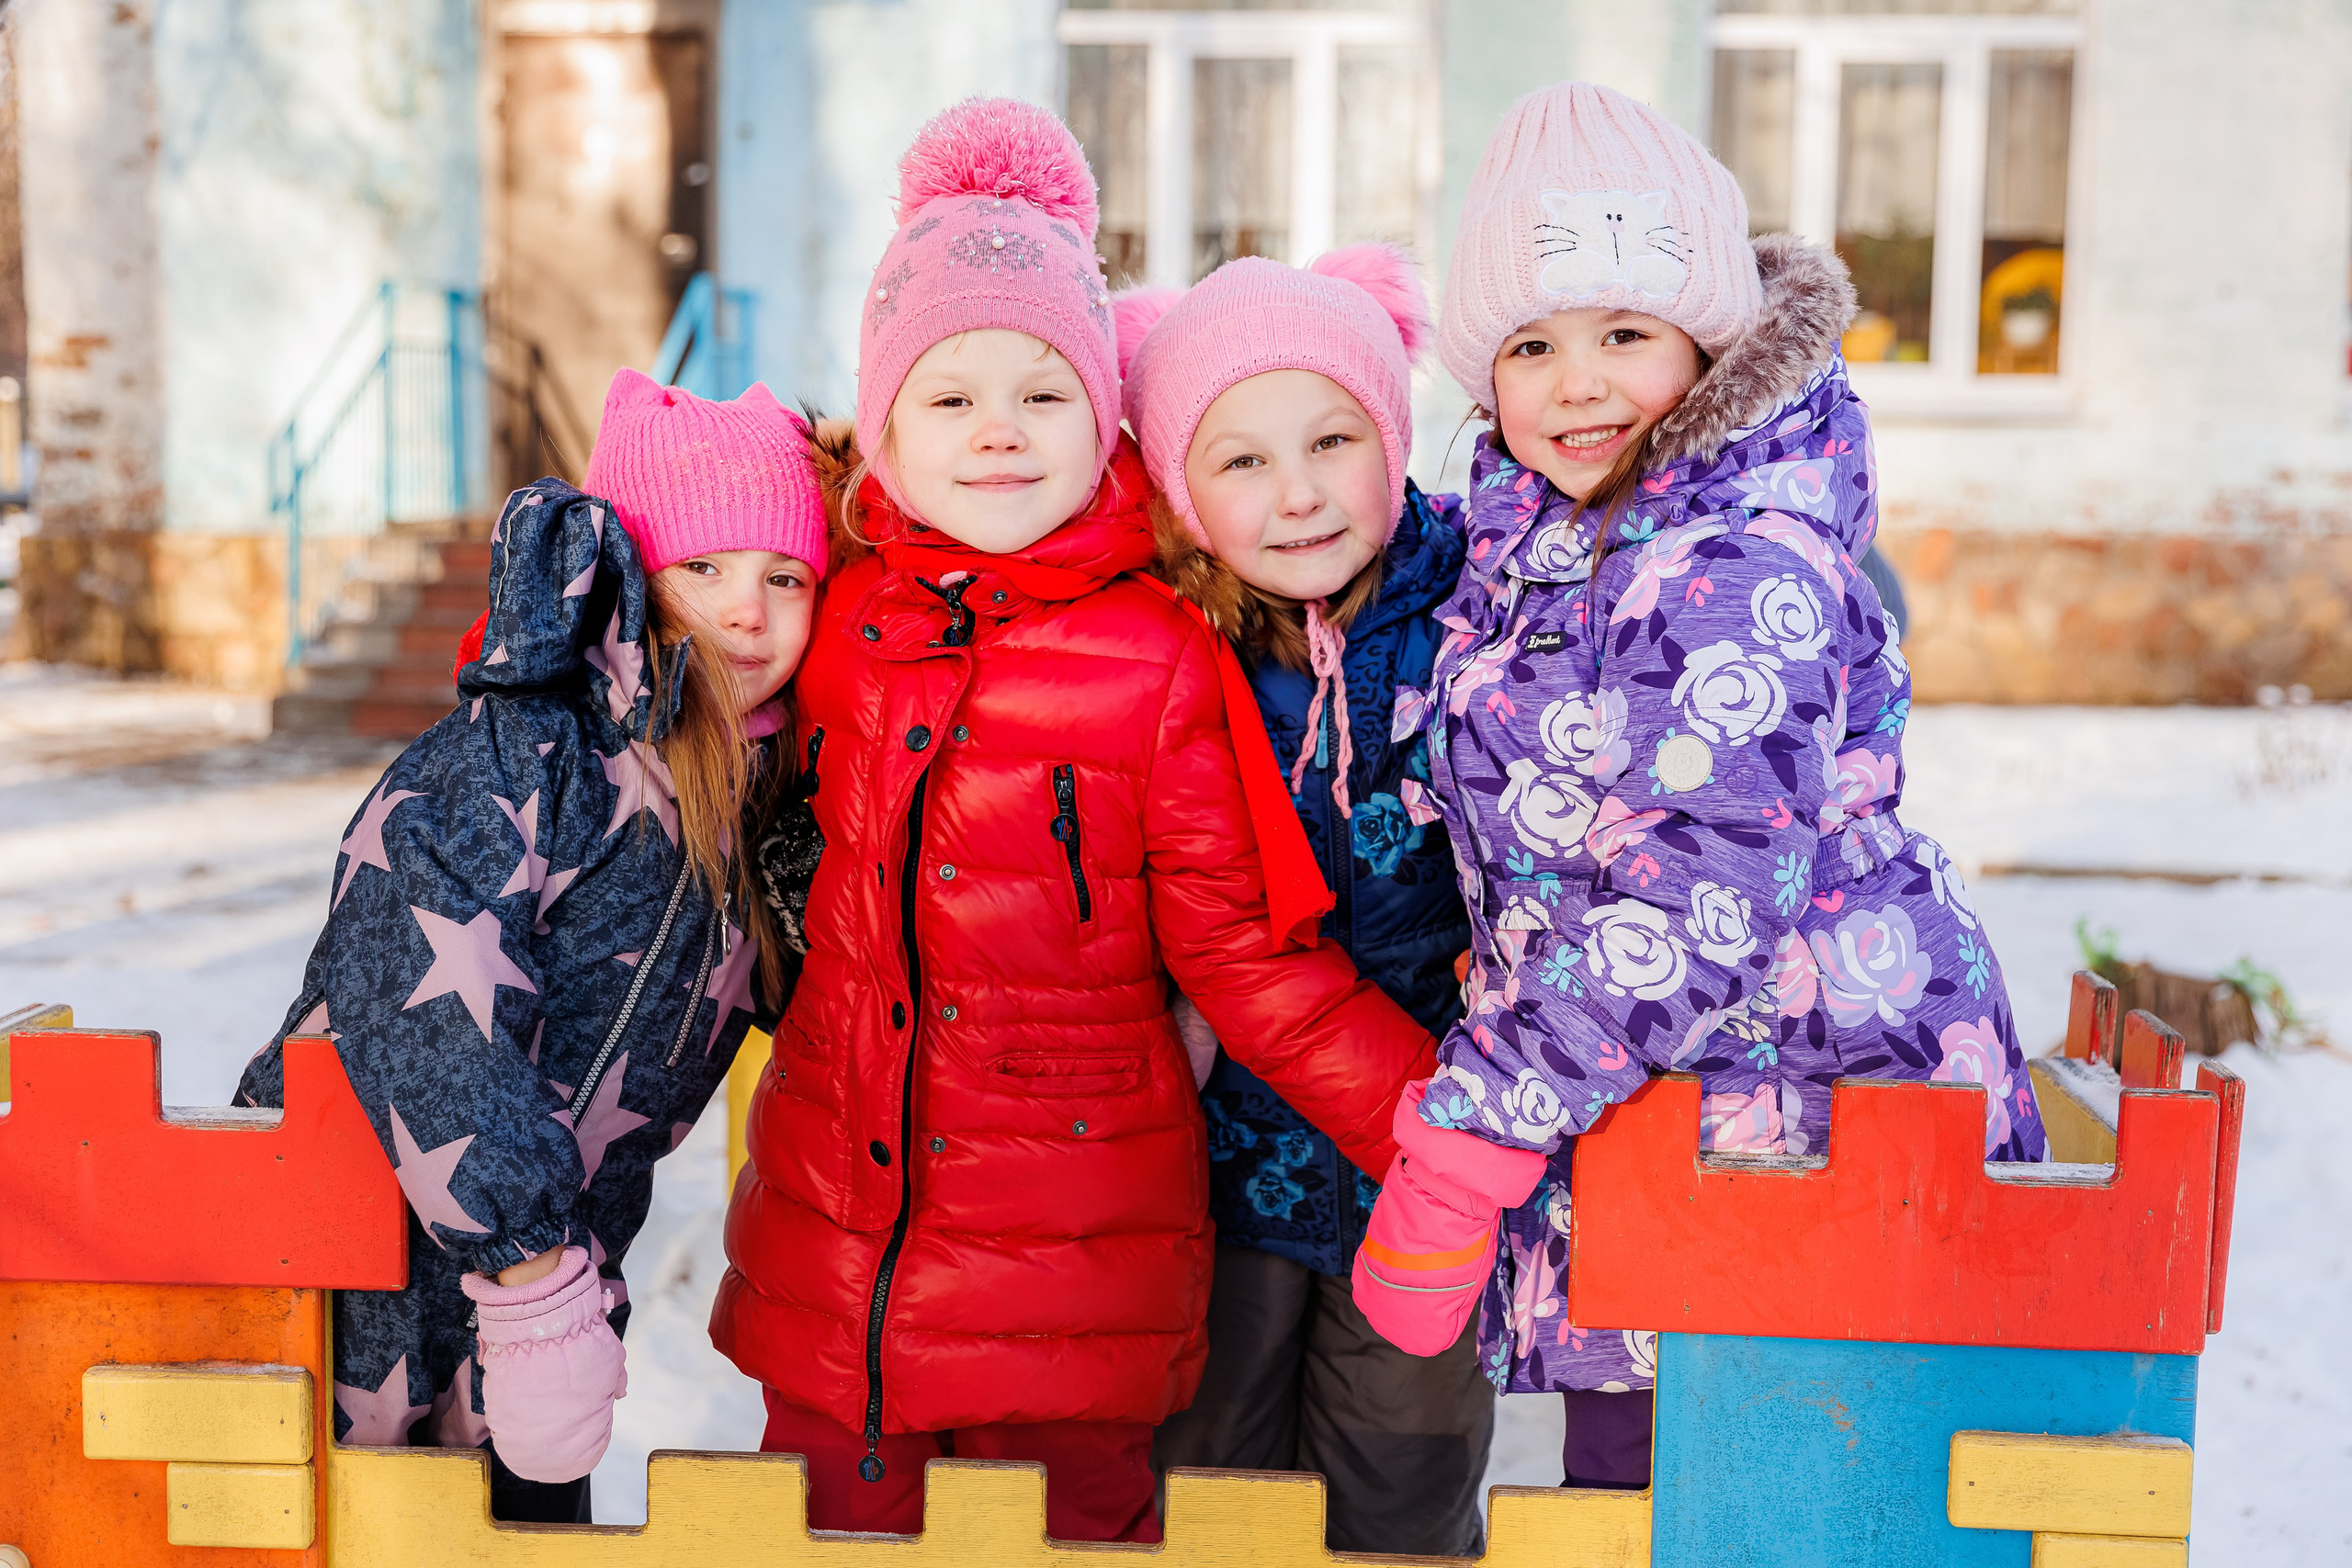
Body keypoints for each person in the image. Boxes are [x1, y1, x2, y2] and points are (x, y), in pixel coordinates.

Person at [707, 97, 1436, 1544]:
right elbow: (671, 667)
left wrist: (1443, 1120)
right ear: (887, 425)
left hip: (1073, 1276)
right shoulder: (835, 615)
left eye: (1042, 394)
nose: (997, 434)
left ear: (1101, 413)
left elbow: (1245, 951)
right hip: (837, 1262)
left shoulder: (1160, 654)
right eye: (951, 397)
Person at [1347, 82, 2046, 1492]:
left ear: (1709, 342)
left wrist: (1473, 1128)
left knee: (1756, 1506)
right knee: (1642, 1498)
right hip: (1688, 1147)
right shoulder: (1555, 541)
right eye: (1532, 344)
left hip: (1806, 1141)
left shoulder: (1735, 564)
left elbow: (1696, 896)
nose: (1578, 381)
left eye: (1624, 332)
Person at [238, 370, 827, 1522]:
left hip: (538, 1327)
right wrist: (535, 1283)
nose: (748, 612)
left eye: (785, 577)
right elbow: (410, 991)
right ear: (630, 581)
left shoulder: (759, 809)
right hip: (345, 1274)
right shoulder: (525, 754)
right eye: (703, 570)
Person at [1114, 247, 1491, 1556]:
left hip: (1428, 1174)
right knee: (1205, 1492)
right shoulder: (1163, 649)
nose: (1298, 494)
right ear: (1180, 493)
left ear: (1391, 438)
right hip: (1216, 1180)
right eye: (1243, 460)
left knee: (1403, 1494)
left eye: (1332, 437)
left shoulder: (1485, 614)